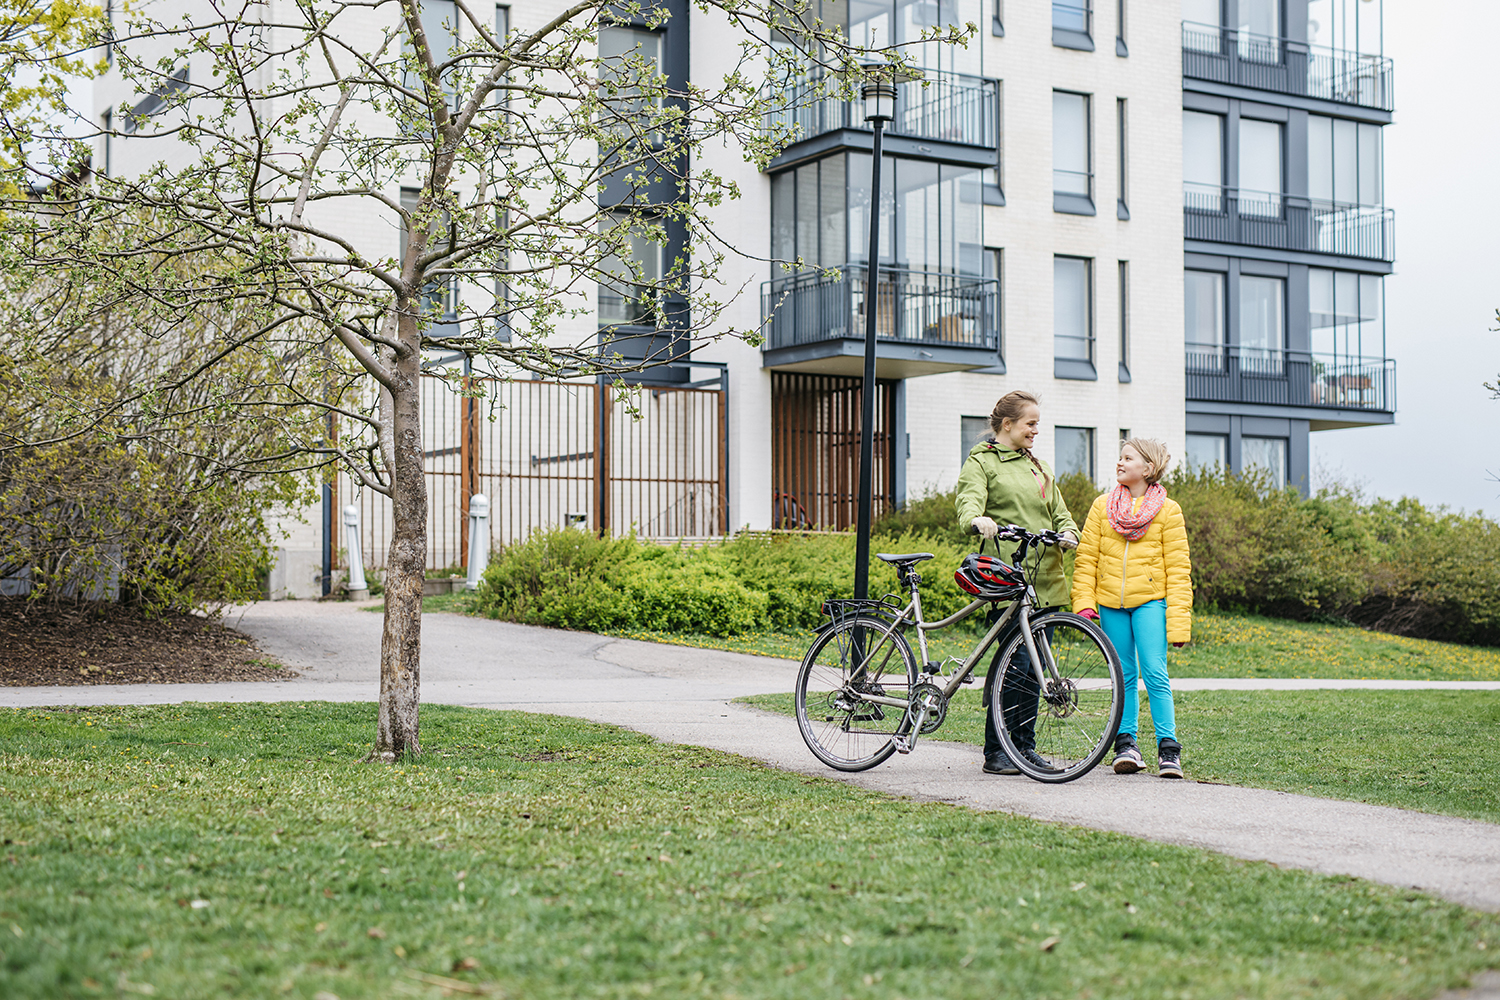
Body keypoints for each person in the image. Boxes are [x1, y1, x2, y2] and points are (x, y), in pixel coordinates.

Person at [955, 391, 1078, 776]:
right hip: (1010, 579)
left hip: (1047, 580)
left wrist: (1070, 532)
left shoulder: (1038, 467)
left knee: (1035, 670)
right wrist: (977, 520)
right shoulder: (982, 461)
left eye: (1037, 423)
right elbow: (968, 501)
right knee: (1017, 666)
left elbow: (1060, 512)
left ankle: (1023, 749)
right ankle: (998, 751)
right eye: (1031, 423)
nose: (1036, 430)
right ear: (1007, 425)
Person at [1071, 437, 1193, 778]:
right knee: (1123, 676)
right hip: (1110, 604)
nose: (1120, 463)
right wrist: (1083, 603)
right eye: (1120, 457)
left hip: (1150, 603)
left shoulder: (1169, 511)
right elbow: (1087, 559)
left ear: (1148, 468)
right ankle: (1126, 745)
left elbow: (1179, 570)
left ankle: (1169, 750)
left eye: (1128, 458)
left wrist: (1179, 624)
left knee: (1154, 672)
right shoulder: (1102, 506)